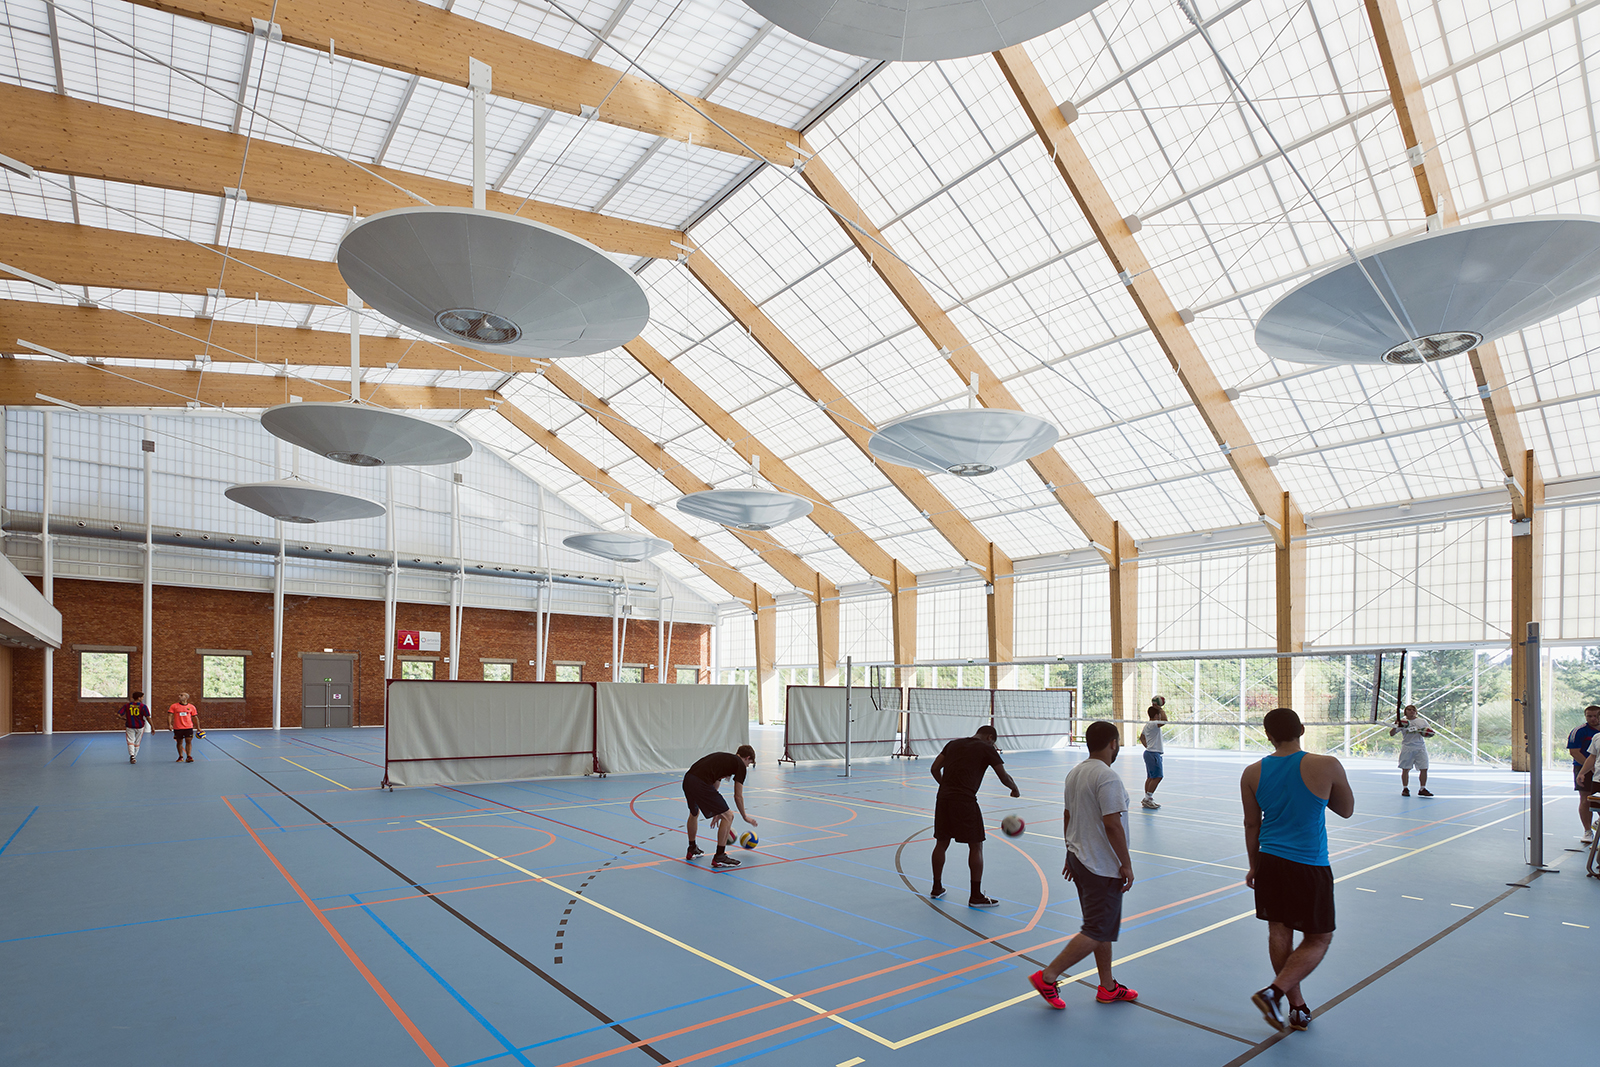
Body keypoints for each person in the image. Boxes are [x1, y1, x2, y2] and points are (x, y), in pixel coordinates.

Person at [1242, 707, 1354, 1033]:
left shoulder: (1251, 773)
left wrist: (1254, 866)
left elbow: (1251, 824)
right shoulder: (1326, 764)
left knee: (1279, 931)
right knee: (1319, 938)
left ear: (1268, 735)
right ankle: (1274, 993)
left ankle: (1297, 1007)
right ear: (1301, 729)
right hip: (1309, 864)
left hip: (1270, 861)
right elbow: (1346, 810)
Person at [1027, 720, 1138, 1009]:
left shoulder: (1075, 773)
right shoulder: (1107, 777)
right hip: (1100, 864)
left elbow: (1068, 816)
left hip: (1080, 858)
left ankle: (1108, 987)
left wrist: (1069, 851)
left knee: (1101, 925)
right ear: (1113, 743)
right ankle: (1048, 977)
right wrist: (1126, 864)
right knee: (1097, 928)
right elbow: (1112, 824)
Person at [929, 724, 1021, 908]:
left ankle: (936, 888)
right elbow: (1003, 776)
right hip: (965, 800)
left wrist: (946, 786)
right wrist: (1015, 789)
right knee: (976, 845)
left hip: (943, 799)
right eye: (993, 742)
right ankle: (976, 896)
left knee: (941, 842)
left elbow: (934, 769)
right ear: (990, 738)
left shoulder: (953, 744)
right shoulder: (987, 748)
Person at [682, 745, 757, 869]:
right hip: (700, 782)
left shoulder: (726, 759)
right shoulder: (740, 765)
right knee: (729, 816)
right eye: (749, 763)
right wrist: (745, 816)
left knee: (694, 813)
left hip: (688, 780)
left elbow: (715, 782)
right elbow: (738, 796)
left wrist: (717, 810)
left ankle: (692, 848)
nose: (747, 766)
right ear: (747, 758)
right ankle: (720, 856)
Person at [1569, 705, 1600, 845]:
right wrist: (1589, 769)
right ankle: (1588, 831)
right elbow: (1574, 752)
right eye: (1589, 716)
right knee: (1586, 799)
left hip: (1597, 771)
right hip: (1584, 768)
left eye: (1595, 716)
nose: (1593, 719)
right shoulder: (1579, 731)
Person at [1389, 704, 1434, 797]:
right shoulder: (1403, 722)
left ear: (1416, 712)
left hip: (1420, 747)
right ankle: (1405, 788)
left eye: (1413, 710)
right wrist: (1396, 725)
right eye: (1409, 710)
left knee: (1424, 768)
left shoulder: (1422, 721)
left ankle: (1422, 788)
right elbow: (1392, 734)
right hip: (1407, 748)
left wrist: (1424, 732)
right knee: (1405, 769)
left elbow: (1431, 733)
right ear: (1405, 712)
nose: (1411, 711)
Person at [1138, 696, 1167, 809]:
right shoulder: (1154, 724)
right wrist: (1160, 708)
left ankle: (1147, 799)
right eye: (1158, 714)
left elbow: (1141, 738)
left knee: (1150, 777)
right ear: (1156, 716)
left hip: (1149, 752)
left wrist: (1149, 747)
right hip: (1153, 753)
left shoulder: (1148, 725)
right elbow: (1164, 721)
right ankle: (1148, 798)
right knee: (1158, 776)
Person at [118, 690, 152, 764]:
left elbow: (119, 714)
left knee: (130, 741)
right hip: (140, 726)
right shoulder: (143, 706)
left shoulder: (127, 705)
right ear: (139, 698)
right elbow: (148, 717)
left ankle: (132, 755)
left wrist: (124, 719)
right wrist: (152, 727)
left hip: (130, 725)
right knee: (137, 742)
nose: (143, 698)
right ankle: (134, 756)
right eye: (142, 697)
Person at [169, 692, 200, 763]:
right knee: (179, 742)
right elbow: (170, 715)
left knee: (188, 741)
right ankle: (180, 756)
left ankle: (189, 756)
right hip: (178, 727)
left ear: (186, 697)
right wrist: (169, 724)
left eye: (181, 695)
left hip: (188, 727)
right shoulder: (174, 706)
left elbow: (195, 717)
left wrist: (198, 727)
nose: (179, 696)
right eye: (179, 695)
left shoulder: (191, 707)